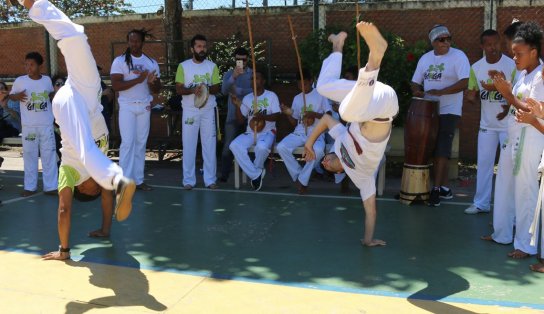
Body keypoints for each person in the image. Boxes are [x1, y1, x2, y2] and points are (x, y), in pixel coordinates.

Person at [18, 0, 136, 260]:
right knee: (76, 36)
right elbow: (106, 199)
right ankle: (30, 2)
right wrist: (106, 229)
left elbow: (63, 210)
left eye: (94, 189)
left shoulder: (69, 173)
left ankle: (119, 179)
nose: (98, 188)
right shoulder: (100, 170)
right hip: (89, 97)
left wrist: (64, 251)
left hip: (69, 106)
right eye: (100, 188)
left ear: (82, 188)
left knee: (84, 148)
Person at [305, 22, 398, 246]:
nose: (325, 162)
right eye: (327, 167)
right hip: (384, 108)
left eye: (323, 161)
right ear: (339, 172)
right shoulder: (362, 179)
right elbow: (371, 211)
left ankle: (337, 45)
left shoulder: (338, 143)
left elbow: (326, 119)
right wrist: (368, 240)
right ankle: (376, 54)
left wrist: (310, 145)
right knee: (346, 112)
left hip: (372, 92)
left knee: (323, 88)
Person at [482, 21, 544, 260]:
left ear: (534, 52)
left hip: (530, 137)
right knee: (505, 184)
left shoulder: (540, 76)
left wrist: (507, 93)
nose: (514, 57)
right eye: (513, 53)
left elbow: (532, 111)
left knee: (525, 188)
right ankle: (502, 233)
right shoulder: (523, 73)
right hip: (513, 135)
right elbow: (515, 104)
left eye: (518, 54)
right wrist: (503, 88)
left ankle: (526, 244)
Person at [411, 24, 470, 207]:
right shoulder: (425, 59)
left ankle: (435, 190)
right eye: (442, 39)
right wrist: (418, 91)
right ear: (433, 42)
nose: (446, 42)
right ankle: (441, 188)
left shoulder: (458, 56)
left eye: (448, 38)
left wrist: (442, 92)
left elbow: (465, 82)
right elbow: (414, 82)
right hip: (428, 111)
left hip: (449, 110)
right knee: (429, 148)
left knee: (442, 149)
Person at [464, 29, 516, 214]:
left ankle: (509, 208)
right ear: (482, 46)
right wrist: (471, 96)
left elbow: (518, 96)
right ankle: (481, 203)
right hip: (486, 126)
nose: (493, 47)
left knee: (507, 169)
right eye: (489, 44)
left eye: (496, 43)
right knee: (484, 164)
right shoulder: (476, 68)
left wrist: (505, 104)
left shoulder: (511, 65)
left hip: (508, 126)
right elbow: (472, 94)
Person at [111, 29, 161, 191]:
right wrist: (139, 79)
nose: (134, 44)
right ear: (128, 42)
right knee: (128, 143)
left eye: (137, 41)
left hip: (144, 106)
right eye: (131, 41)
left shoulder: (151, 62)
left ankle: (138, 181)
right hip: (127, 106)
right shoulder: (119, 61)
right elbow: (116, 85)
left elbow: (157, 90)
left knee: (140, 143)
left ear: (142, 42)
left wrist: (152, 82)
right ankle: (124, 182)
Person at [175, 34, 221, 190]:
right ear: (192, 49)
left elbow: (217, 87)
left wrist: (205, 89)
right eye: (199, 46)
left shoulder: (212, 66)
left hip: (208, 110)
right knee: (189, 145)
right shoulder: (183, 66)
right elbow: (179, 89)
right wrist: (193, 90)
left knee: (209, 145)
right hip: (190, 111)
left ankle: (210, 180)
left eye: (204, 46)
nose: (202, 49)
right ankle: (188, 180)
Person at [9, 51, 57, 196]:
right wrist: (16, 96)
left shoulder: (47, 80)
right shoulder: (20, 81)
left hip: (46, 124)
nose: (28, 67)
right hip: (29, 126)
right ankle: (30, 187)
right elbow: (11, 95)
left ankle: (51, 186)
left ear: (39, 66)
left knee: (49, 155)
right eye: (26, 64)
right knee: (30, 155)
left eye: (32, 64)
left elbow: (50, 95)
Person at [277, 69, 329, 194]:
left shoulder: (320, 95)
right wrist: (288, 113)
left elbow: (329, 115)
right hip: (299, 133)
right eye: (299, 85)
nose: (302, 87)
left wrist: (313, 114)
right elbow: (294, 123)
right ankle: (301, 176)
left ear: (311, 81)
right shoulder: (297, 98)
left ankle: (302, 180)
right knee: (281, 147)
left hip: (316, 133)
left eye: (304, 84)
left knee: (318, 151)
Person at [229, 68, 280, 191]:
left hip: (268, 132)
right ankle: (256, 174)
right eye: (252, 78)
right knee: (234, 145)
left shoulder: (271, 96)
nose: (253, 81)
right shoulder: (247, 98)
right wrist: (237, 105)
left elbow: (277, 116)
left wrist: (263, 117)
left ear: (263, 81)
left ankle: (255, 172)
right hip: (250, 132)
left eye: (256, 78)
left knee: (261, 148)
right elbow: (241, 121)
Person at [219, 47, 253, 182]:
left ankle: (252, 175)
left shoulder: (252, 73)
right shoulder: (229, 74)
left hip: (250, 116)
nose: (241, 62)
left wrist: (239, 90)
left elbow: (256, 90)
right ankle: (224, 175)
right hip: (233, 116)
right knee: (228, 146)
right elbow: (224, 91)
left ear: (247, 59)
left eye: (243, 59)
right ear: (234, 59)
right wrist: (234, 77)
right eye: (238, 59)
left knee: (251, 147)